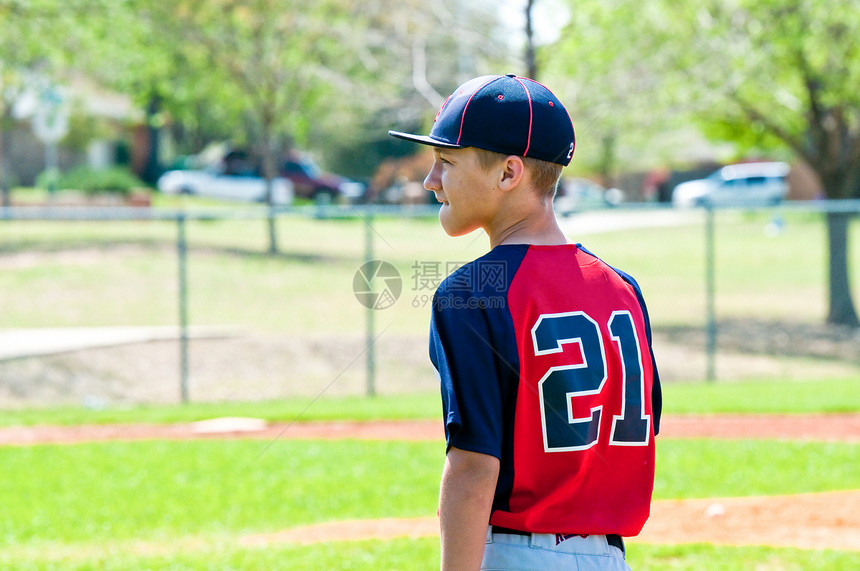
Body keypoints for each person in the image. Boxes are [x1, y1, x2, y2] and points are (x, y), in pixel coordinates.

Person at [389, 74, 662, 570]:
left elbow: (473, 469)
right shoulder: (624, 290)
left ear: (509, 173)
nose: (430, 180)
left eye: (446, 161)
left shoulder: (473, 293)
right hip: (609, 558)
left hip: (519, 553)